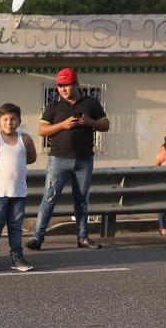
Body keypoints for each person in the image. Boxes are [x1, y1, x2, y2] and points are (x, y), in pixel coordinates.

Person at [26, 68, 108, 251]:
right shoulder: (54, 104)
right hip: (58, 160)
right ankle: (37, 238)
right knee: (49, 198)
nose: (62, 89)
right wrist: (63, 125)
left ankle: (83, 238)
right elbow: (41, 130)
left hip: (84, 161)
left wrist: (90, 122)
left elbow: (106, 124)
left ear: (76, 84)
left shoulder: (91, 102)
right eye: (60, 85)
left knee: (81, 200)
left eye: (66, 85)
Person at [0, 103, 36, 273]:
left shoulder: (25, 139)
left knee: (16, 226)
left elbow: (30, 158)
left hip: (19, 193)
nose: (9, 122)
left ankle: (17, 257)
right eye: (6, 119)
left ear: (19, 121)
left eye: (13, 119)